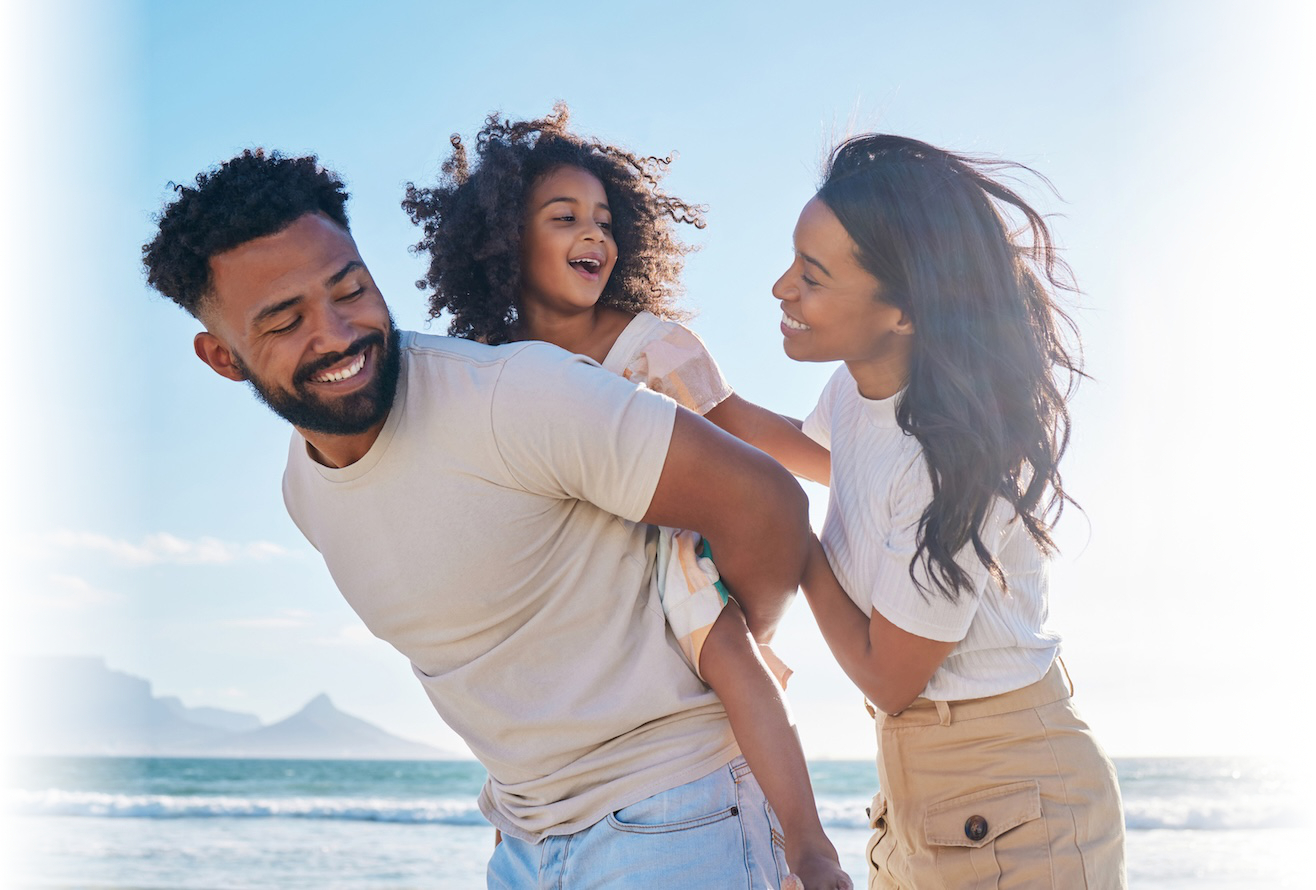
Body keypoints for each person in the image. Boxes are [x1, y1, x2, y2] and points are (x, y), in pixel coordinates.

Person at [142, 148, 815, 889]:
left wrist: (719, 641)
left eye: (350, 290)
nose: (335, 334)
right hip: (523, 842)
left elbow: (768, 504)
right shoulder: (304, 490)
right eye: (283, 321)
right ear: (222, 357)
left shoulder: (515, 397)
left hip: (673, 817)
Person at [402, 105, 848, 890]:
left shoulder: (649, 345)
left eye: (604, 220)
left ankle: (811, 849)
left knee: (733, 660)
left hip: (663, 555)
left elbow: (744, 428)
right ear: (507, 239)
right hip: (571, 588)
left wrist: (858, 467)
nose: (593, 235)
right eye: (564, 216)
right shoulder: (492, 371)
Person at [775, 134, 1126, 888]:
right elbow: (825, 462)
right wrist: (684, 390)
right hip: (919, 793)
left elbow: (888, 677)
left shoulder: (953, 462)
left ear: (902, 311)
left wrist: (792, 545)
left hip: (1015, 806)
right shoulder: (858, 391)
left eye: (811, 277)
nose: (781, 289)